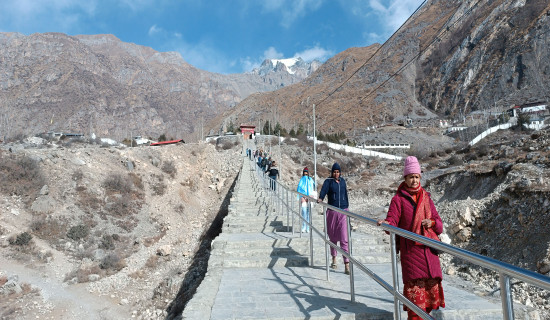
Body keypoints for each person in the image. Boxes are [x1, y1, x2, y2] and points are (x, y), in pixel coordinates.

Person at [377, 156, 445, 320]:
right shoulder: (398, 200)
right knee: (415, 307)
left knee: (428, 305)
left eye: (416, 177)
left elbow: (440, 226)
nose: (414, 180)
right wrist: (386, 223)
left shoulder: (427, 198)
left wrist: (432, 222)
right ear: (405, 178)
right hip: (412, 254)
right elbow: (392, 220)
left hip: (429, 254)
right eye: (410, 177)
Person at [317, 163, 350, 275]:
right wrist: (321, 198)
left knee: (344, 238)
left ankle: (347, 263)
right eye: (334, 172)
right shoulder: (328, 181)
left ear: (340, 172)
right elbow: (324, 191)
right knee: (333, 237)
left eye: (338, 172)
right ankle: (334, 259)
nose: (336, 174)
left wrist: (347, 206)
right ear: (332, 172)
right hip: (332, 211)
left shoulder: (343, 181)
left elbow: (345, 193)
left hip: (343, 211)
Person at [296, 167, 315, 233]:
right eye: (304, 174)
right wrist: (300, 196)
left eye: (306, 174)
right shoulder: (301, 180)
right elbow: (299, 188)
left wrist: (312, 195)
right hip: (303, 197)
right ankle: (304, 226)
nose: (305, 175)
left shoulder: (311, 180)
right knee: (304, 212)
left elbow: (313, 187)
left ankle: (308, 227)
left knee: (308, 212)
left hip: (310, 196)